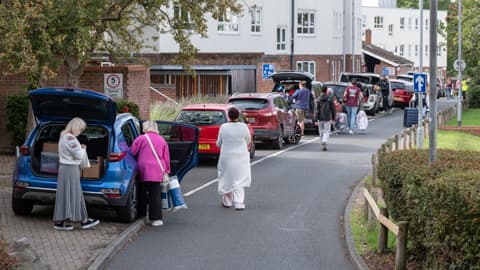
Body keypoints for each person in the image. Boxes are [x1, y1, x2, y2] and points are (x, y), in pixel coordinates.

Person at [53, 117, 100, 230]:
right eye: (80, 128)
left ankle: (60, 221)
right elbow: (78, 155)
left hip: (64, 168)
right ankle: (83, 220)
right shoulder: (70, 138)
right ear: (75, 127)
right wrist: (83, 148)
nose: (81, 131)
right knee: (75, 193)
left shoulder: (63, 136)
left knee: (65, 194)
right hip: (70, 168)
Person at [131, 120, 171, 226]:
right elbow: (166, 157)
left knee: (142, 192)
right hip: (158, 169)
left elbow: (133, 151)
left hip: (143, 168)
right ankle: (156, 219)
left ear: (146, 128)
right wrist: (166, 171)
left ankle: (141, 214)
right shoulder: (162, 140)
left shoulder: (141, 138)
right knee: (155, 194)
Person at [216, 107, 251, 210]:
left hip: (226, 156)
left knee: (227, 177)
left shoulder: (223, 127)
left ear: (228, 116)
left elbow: (219, 143)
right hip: (241, 156)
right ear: (238, 116)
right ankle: (239, 203)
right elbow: (248, 140)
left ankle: (227, 202)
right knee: (239, 179)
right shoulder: (244, 127)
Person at [315, 86, 336, 151]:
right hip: (327, 117)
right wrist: (333, 118)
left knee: (321, 131)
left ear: (321, 91)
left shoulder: (318, 99)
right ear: (326, 90)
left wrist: (315, 119)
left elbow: (316, 110)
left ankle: (323, 142)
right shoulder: (329, 99)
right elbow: (333, 109)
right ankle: (324, 141)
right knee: (327, 131)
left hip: (320, 117)